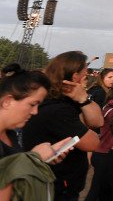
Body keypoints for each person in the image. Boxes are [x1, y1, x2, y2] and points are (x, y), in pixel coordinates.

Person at [22, 51, 103, 201]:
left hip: (57, 183)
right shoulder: (58, 109)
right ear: (75, 76)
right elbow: (93, 143)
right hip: (55, 186)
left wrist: (83, 99)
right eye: (85, 74)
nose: (87, 77)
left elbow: (97, 122)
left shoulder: (61, 100)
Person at [0, 67, 74, 200]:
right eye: (32, 104)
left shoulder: (10, 134)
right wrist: (34, 158)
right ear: (7, 101)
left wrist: (41, 158)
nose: (35, 112)